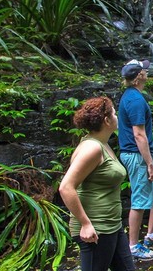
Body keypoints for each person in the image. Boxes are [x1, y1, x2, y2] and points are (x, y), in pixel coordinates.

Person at [59, 96, 135, 271]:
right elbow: (66, 187)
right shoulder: (91, 148)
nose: (118, 117)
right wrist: (85, 224)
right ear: (107, 120)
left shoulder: (102, 144)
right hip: (96, 229)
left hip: (112, 225)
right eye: (115, 114)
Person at [117, 59, 153, 261]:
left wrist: (152, 158)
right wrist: (149, 163)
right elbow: (139, 135)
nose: (148, 72)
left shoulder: (132, 96)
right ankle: (132, 246)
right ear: (139, 75)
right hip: (136, 155)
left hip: (142, 155)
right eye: (145, 70)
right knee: (139, 201)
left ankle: (151, 234)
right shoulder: (135, 100)